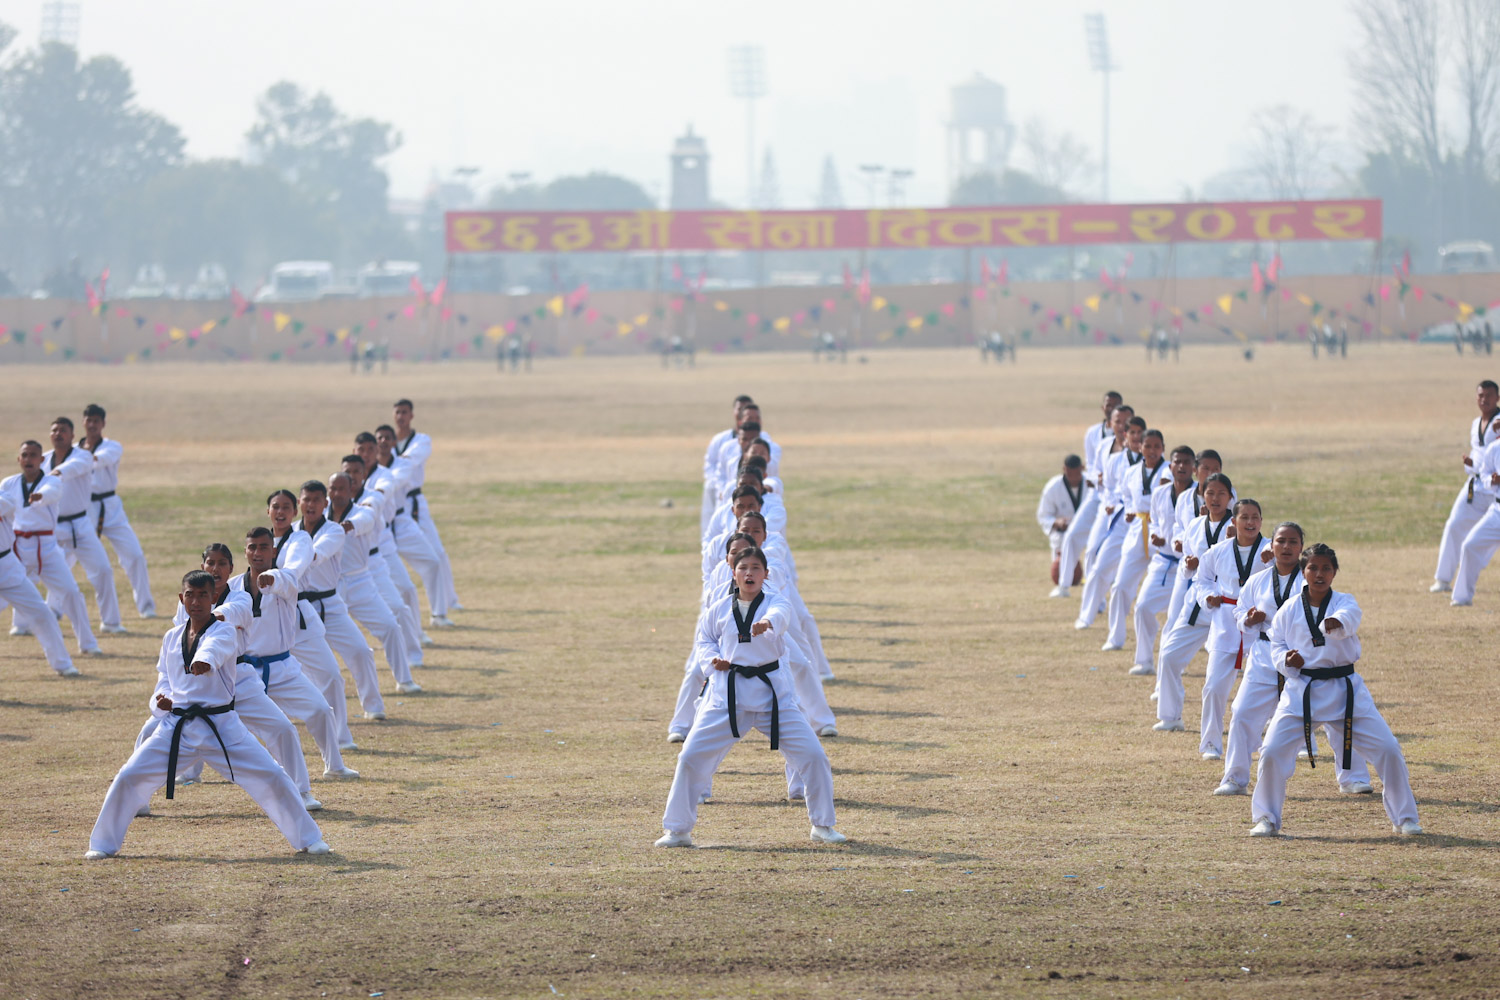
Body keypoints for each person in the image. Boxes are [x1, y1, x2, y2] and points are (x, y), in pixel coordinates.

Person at [85, 570, 330, 859]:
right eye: (191, 595)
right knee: (128, 775)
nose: (196, 601)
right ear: (182, 598)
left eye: (203, 595)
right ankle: (102, 844)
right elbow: (164, 679)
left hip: (222, 727)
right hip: (177, 727)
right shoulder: (171, 637)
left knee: (272, 775)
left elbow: (216, 648)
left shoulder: (225, 631)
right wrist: (159, 701)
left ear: (213, 598)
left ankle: (310, 838)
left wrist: (204, 660)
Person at [657, 546, 845, 848]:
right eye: (743, 567)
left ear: (765, 574)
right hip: (727, 698)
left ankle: (822, 825)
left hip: (774, 699)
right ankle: (677, 830)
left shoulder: (776, 602)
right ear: (733, 573)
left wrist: (767, 624)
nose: (749, 573)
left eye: (756, 568)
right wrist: (712, 661)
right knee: (690, 757)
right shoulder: (718, 608)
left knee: (814, 756)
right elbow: (705, 640)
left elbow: (780, 615)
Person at [1249, 544, 1422, 838]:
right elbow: (1276, 643)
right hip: (1302, 690)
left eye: (1326, 568)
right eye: (1313, 568)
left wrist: (1336, 622)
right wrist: (1285, 660)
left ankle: (1405, 818)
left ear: (1335, 572)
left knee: (1389, 749)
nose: (1319, 574)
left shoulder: (1345, 602)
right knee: (1272, 752)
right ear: (1303, 572)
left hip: (1345, 691)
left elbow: (1350, 617)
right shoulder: (1289, 609)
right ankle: (1266, 817)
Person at [1216, 522, 1373, 796]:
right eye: (1281, 541)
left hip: (1308, 658)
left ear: (1301, 547)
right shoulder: (1257, 580)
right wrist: (1248, 619)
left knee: (1337, 714)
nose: (1286, 547)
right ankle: (1236, 777)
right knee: (1242, 712)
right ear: (1271, 545)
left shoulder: (1311, 578)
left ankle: (1353, 777)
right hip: (1266, 654)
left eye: (1293, 542)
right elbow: (1239, 611)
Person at [293, 479, 387, 721]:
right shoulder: (291, 532)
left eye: (316, 500)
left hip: (330, 604)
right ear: (299, 502)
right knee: (293, 664)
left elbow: (317, 555)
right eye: (307, 500)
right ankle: (308, 712)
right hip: (298, 608)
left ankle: (373, 705)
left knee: (360, 651)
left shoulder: (333, 531)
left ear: (325, 504)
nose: (311, 505)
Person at [267, 489, 355, 749]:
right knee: (255, 681)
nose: (280, 512)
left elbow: (296, 565)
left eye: (286, 507)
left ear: (294, 511)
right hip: (268, 620)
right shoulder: (261, 540)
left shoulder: (301, 538)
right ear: (268, 511)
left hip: (300, 617)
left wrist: (278, 578)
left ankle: (340, 736)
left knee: (331, 675)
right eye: (275, 507)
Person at [1191, 498, 1274, 760]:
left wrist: (1271, 562)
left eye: (1255, 517)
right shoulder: (1218, 551)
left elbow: (1288, 577)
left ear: (1261, 521)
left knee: (1273, 686)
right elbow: (1201, 580)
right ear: (1233, 521)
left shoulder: (1270, 550)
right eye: (1244, 517)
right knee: (1214, 687)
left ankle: (1280, 741)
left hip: (1260, 625)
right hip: (1225, 623)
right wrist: (1207, 598)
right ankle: (1211, 743)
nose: (1250, 522)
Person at [328, 464, 420, 694]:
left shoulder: (366, 506)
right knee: (313, 639)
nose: (337, 493)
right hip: (329, 587)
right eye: (333, 488)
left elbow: (366, 519)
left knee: (390, 624)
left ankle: (405, 679)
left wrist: (349, 526)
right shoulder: (320, 511)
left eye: (343, 488)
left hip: (362, 577)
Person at [1153, 473, 1234, 732]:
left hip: (1228, 607)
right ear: (1202, 496)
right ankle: (1170, 716)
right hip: (1197, 603)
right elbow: (1188, 566)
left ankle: (1270, 718)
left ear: (1230, 498)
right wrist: (1189, 565)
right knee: (1169, 655)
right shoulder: (1195, 525)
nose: (1215, 498)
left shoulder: (1238, 526)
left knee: (1256, 667)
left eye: (1221, 493)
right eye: (1210, 493)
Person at [2, 440, 99, 655]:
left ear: (42, 459)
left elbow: (52, 492)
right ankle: (20, 625)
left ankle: (88, 643)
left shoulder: (51, 481)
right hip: (17, 548)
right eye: (25, 455)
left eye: (33, 455)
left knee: (71, 592)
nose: (28, 459)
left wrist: (40, 496)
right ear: (19, 459)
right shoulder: (8, 483)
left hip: (46, 548)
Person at [42, 416, 124, 634]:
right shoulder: (42, 460)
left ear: (72, 435)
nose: (58, 434)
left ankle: (111, 622)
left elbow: (72, 468)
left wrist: (56, 473)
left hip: (80, 525)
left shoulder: (83, 456)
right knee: (40, 572)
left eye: (63, 430)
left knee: (103, 570)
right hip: (52, 527)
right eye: (54, 430)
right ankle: (26, 622)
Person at [79, 403, 156, 619]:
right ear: (83, 422)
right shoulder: (75, 449)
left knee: (134, 555)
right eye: (89, 420)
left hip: (110, 506)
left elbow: (99, 460)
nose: (92, 425)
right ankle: (55, 608)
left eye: (96, 421)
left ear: (103, 423)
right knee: (66, 556)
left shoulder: (111, 447)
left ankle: (146, 605)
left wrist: (76, 459)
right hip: (83, 508)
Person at [0, 470, 78, 675]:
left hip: (7, 565)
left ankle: (63, 664)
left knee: (41, 613)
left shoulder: (5, 496)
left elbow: (8, 504)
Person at [1129, 445, 1195, 677]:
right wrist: (1156, 535)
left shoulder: (1199, 495)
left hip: (1189, 567)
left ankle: (1174, 664)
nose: (1182, 466)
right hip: (1163, 561)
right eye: (1177, 461)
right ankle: (1144, 661)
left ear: (1194, 467)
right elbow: (1156, 521)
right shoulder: (1160, 493)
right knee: (1143, 607)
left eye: (1187, 462)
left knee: (1177, 619)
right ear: (1170, 465)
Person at [375, 423, 450, 627]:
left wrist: (377, 491)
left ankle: (438, 615)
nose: (383, 442)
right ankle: (402, 625)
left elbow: (394, 482)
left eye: (387, 438)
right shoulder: (365, 468)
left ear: (394, 443)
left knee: (433, 561)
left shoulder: (402, 464)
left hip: (401, 520)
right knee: (391, 582)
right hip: (377, 528)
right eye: (379, 438)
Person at [391, 399, 461, 614]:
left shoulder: (421, 440)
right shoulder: (387, 442)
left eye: (404, 412)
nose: (401, 417)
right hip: (393, 504)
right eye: (398, 412)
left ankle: (450, 599)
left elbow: (409, 461)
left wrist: (391, 461)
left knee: (437, 552)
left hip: (414, 502)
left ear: (412, 415)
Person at [1075, 414, 1143, 630]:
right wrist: (1111, 505)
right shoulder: (1115, 460)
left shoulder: (1158, 466)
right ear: (1125, 435)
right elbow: (1111, 489)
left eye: (1140, 433)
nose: (1136, 437)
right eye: (1132, 433)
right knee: (1098, 566)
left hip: (1149, 526)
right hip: (1120, 520)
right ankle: (1086, 615)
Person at [1054, 392, 1124, 600]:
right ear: (1103, 408)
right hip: (1096, 495)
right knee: (1072, 535)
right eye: (1108, 405)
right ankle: (1063, 585)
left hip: (1118, 501)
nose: (1111, 408)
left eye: (1116, 405)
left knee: (1100, 549)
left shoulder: (1131, 438)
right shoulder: (1093, 434)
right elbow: (1090, 465)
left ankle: (1099, 596)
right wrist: (1096, 477)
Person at [1433, 381, 1500, 594]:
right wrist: (1470, 464)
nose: (1484, 399)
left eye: (1489, 395)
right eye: (1480, 395)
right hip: (1475, 485)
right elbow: (1478, 453)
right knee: (1454, 525)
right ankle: (1443, 579)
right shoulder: (1475, 423)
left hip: (1495, 489)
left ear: (1497, 398)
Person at [1103, 429, 1167, 651]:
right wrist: (1130, 510)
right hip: (1137, 529)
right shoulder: (1131, 472)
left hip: (1161, 533)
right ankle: (1115, 637)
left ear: (1163, 448)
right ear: (1140, 447)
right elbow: (1126, 496)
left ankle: (1186, 635)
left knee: (1174, 589)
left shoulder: (1169, 471)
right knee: (1120, 585)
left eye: (1156, 446)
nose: (1152, 450)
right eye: (1147, 446)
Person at [702, 396, 754, 534]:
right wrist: (719, 488)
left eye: (746, 409)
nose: (742, 412)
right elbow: (712, 465)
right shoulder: (721, 440)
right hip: (723, 493)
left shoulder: (763, 441)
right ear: (734, 411)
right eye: (740, 409)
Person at [1037, 455, 1088, 595]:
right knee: (1059, 564)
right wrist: (1055, 522)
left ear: (1082, 468)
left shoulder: (1091, 483)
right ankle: (1063, 584)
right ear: (1064, 469)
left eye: (1077, 474)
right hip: (1063, 532)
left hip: (1088, 529)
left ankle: (1092, 577)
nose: (1074, 478)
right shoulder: (1053, 487)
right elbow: (1043, 515)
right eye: (1070, 474)